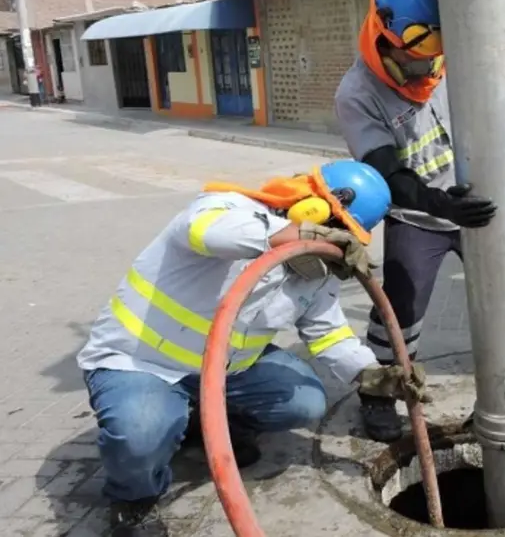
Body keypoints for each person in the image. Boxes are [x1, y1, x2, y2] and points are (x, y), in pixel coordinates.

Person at [76, 160, 430, 537]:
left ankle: (207, 423)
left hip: (227, 371)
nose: (333, 241)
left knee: (305, 401)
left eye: (344, 234)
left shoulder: (313, 269)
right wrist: (292, 235)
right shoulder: (229, 209)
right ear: (309, 207)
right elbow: (205, 232)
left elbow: (329, 334)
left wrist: (373, 375)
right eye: (334, 227)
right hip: (140, 362)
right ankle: (133, 502)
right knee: (141, 431)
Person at [334, 0, 505, 444]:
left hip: (474, 203)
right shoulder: (358, 93)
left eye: (433, 60)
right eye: (415, 62)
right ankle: (379, 393)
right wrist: (439, 205)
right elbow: (387, 173)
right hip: (419, 215)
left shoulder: (445, 51)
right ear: (385, 35)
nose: (427, 71)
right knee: (402, 310)